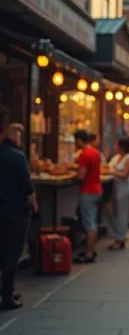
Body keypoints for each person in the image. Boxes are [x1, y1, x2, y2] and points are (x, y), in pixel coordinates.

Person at [0, 123, 38, 310]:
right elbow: (27, 187)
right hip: (14, 211)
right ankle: (6, 295)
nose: (21, 139)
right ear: (14, 135)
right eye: (20, 135)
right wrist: (35, 207)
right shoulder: (18, 157)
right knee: (12, 253)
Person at [74, 129, 102, 264]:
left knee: (89, 223)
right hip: (97, 189)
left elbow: (81, 175)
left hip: (88, 190)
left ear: (79, 140)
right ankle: (91, 249)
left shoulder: (85, 154)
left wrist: (75, 174)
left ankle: (89, 253)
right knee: (92, 221)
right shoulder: (95, 152)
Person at [107, 136, 129, 250]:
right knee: (113, 212)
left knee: (121, 214)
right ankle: (117, 236)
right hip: (115, 187)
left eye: (116, 145)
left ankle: (120, 238)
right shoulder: (116, 157)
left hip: (124, 188)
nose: (114, 147)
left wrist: (112, 172)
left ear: (122, 147)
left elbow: (125, 175)